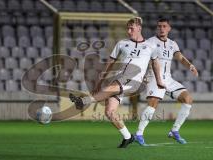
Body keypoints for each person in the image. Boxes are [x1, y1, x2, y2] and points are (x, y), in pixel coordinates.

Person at [69, 17, 165, 148]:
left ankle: (84, 101)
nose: (129, 31)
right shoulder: (121, 43)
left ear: (139, 28)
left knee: (112, 87)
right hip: (120, 78)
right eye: (127, 28)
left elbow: (155, 63)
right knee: (109, 112)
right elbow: (110, 62)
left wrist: (158, 80)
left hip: (134, 79)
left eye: (131, 28)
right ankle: (127, 137)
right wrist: (100, 80)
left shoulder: (150, 45)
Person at [134, 18, 198, 146]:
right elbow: (142, 58)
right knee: (153, 104)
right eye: (159, 26)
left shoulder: (172, 44)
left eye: (164, 26)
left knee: (188, 99)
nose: (161, 29)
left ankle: (175, 131)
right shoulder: (150, 42)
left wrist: (190, 66)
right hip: (154, 77)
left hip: (168, 78)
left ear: (169, 28)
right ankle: (139, 133)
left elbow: (180, 57)